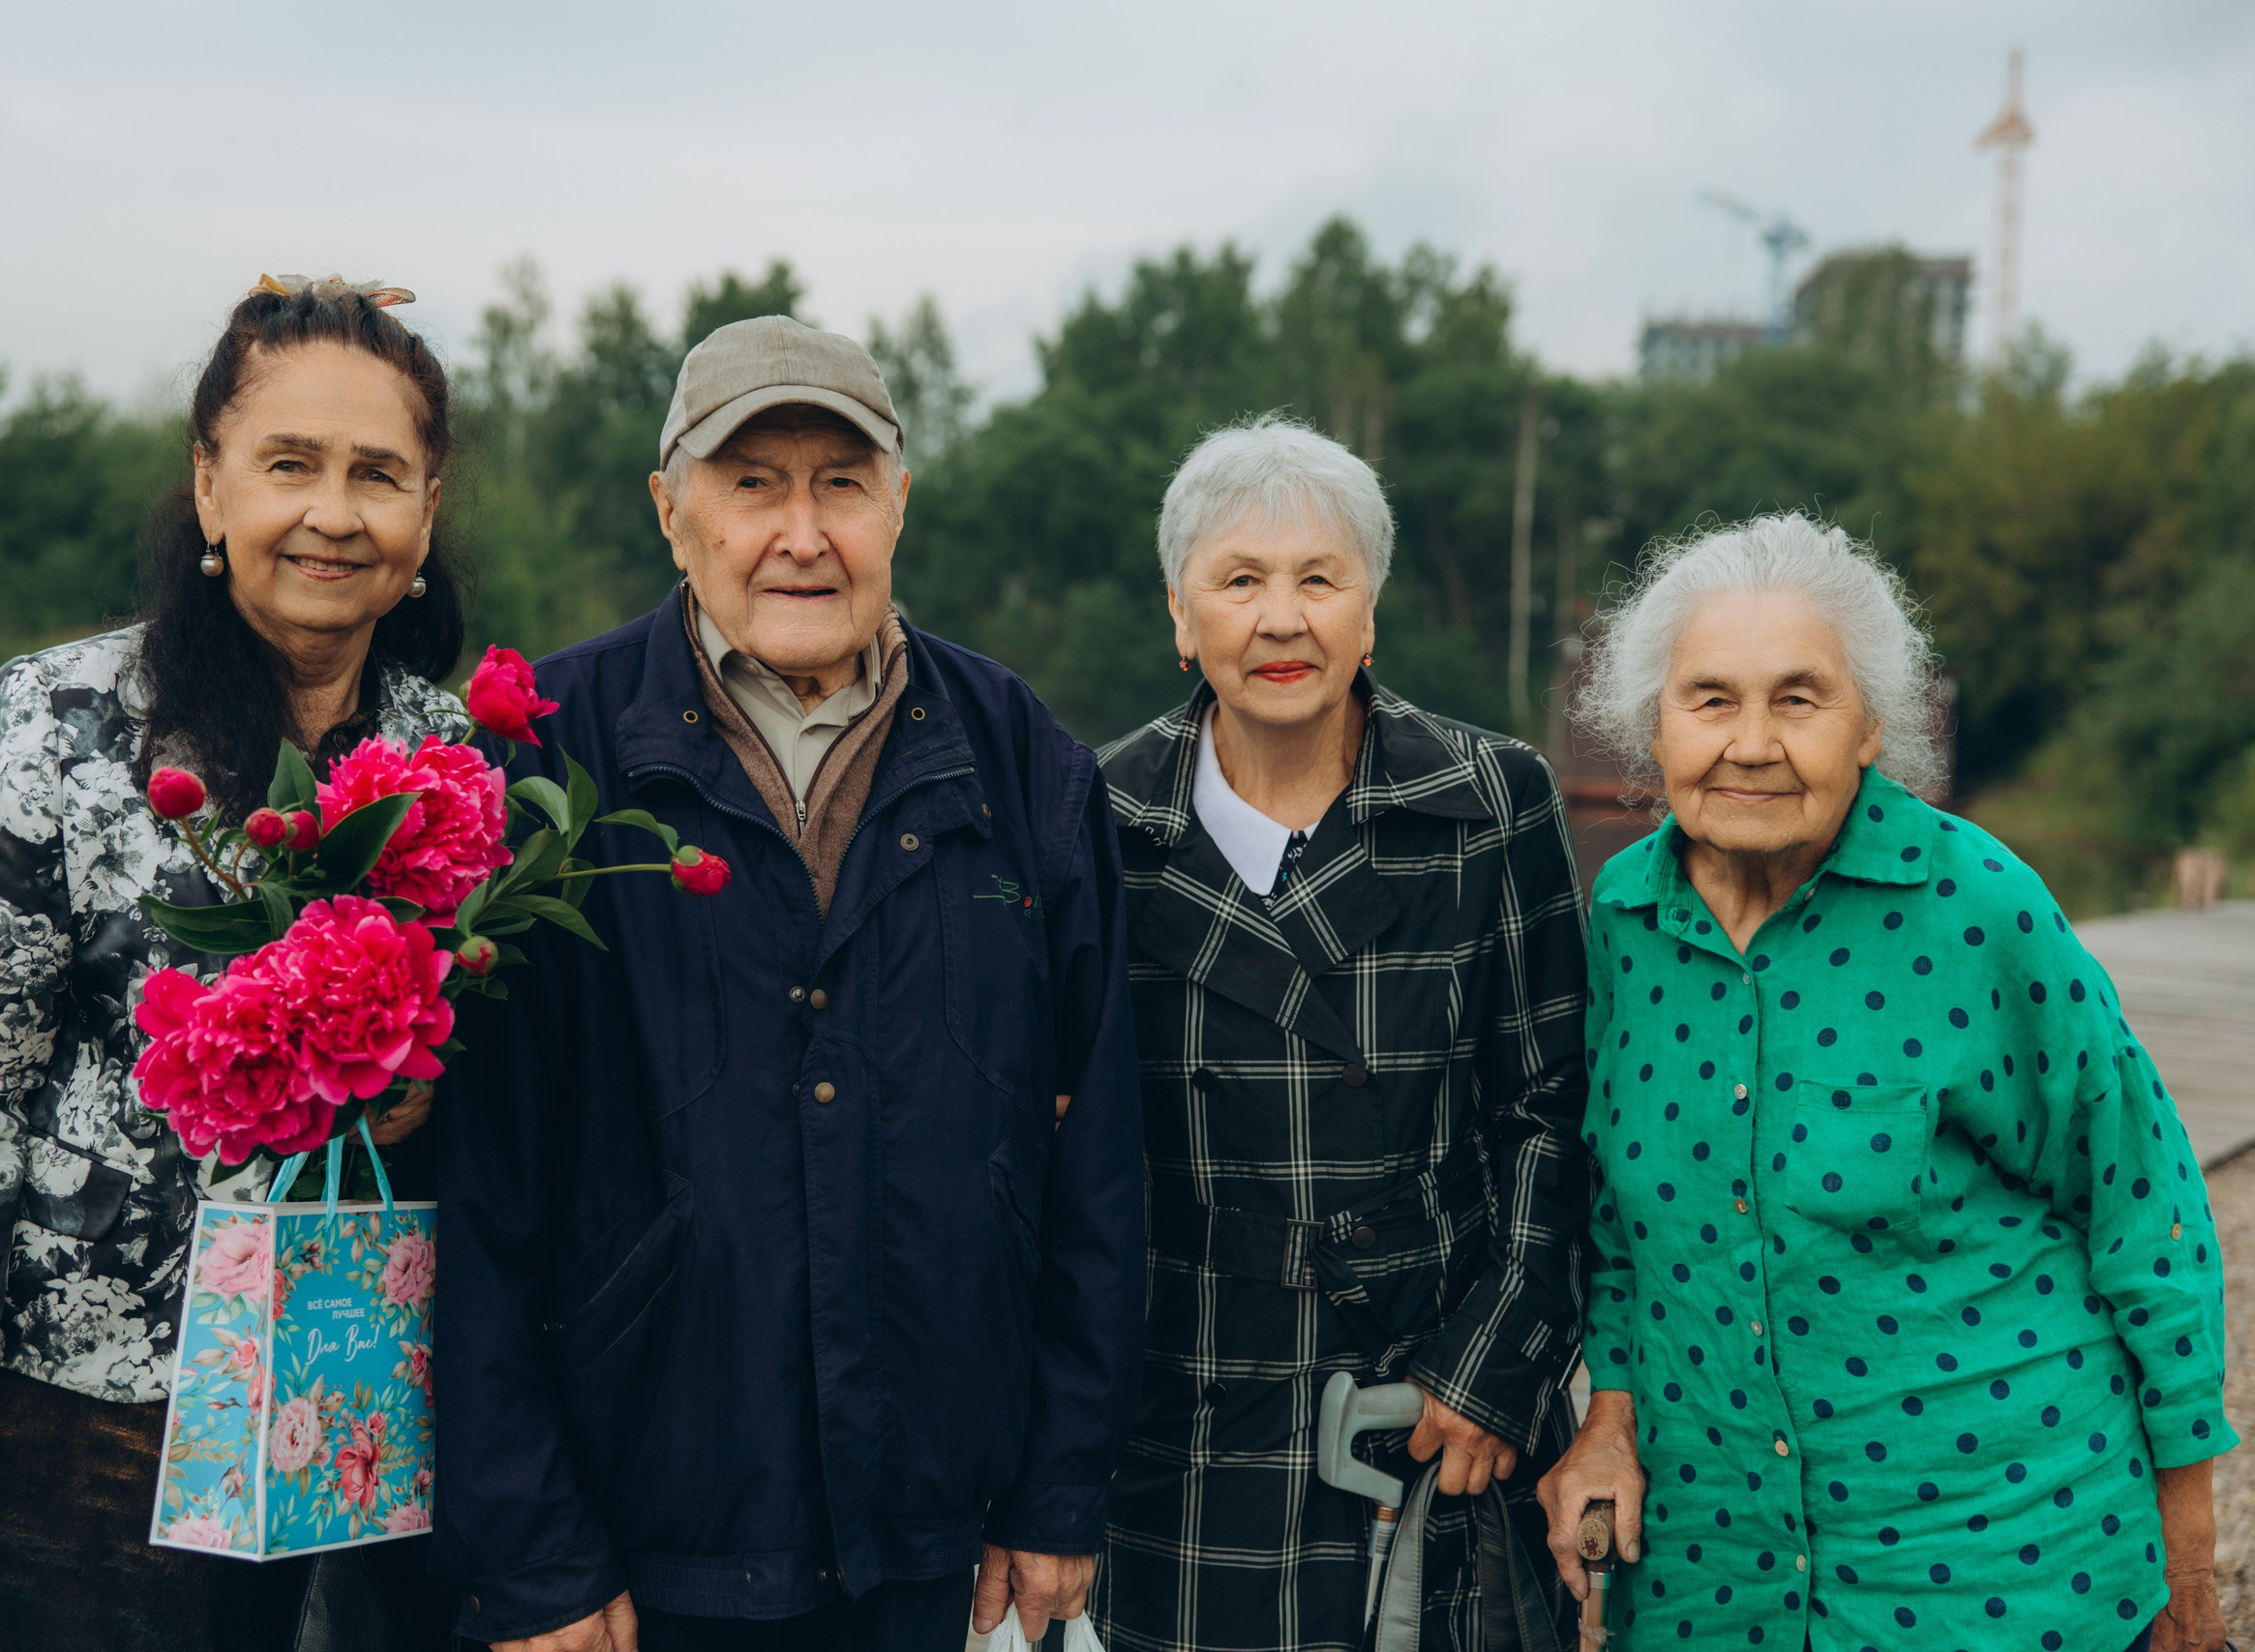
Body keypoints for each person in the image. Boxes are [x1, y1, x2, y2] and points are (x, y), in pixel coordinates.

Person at [433, 315, 1145, 1652]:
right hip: (636, 1554)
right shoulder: (542, 758)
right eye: (751, 483)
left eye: (840, 482)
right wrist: (531, 1551)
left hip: (934, 1542)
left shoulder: (1021, 755)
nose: (800, 532)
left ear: (901, 503)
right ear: (670, 509)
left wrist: (1057, 1483)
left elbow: (1098, 1157)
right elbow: (475, 1194)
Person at [0, 275, 471, 1651]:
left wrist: (427, 1086)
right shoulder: (61, 723)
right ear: (211, 483)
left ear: (427, 510)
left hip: (351, 1407)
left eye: (378, 471)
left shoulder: (452, 756)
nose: (334, 511)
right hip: (77, 1435)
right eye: (289, 462)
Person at [1538, 514, 2235, 1652]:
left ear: (1870, 727)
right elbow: (1620, 1222)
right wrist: (1606, 1416)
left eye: (1798, 699)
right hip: (1719, 1582)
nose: (1751, 743)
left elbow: (2144, 1208)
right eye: (1710, 699)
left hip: (1997, 1561)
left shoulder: (1975, 906)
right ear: (1650, 727)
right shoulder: (1623, 923)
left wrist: (2190, 1568)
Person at [1092, 417, 1592, 1652]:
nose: (1281, 619)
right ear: (1179, 615)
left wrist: (1494, 1370)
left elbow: (1552, 1108)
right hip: (1186, 1412)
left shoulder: (1487, 799)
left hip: (1428, 1406)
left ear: (1369, 612)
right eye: (1240, 580)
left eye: (1320, 579)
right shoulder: (1098, 819)